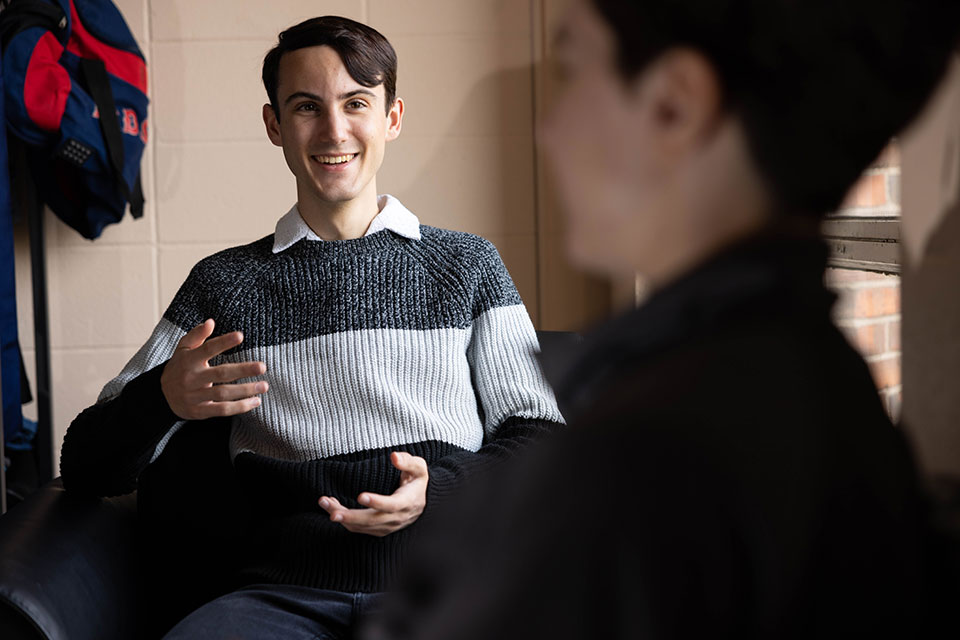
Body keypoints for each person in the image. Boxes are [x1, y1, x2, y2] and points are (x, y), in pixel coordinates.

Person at [372, 1, 960, 638]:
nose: (549, 129)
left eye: (571, 71)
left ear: (675, 105)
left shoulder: (647, 455)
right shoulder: (817, 382)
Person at [57, 15, 564, 639]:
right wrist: (162, 396)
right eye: (306, 107)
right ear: (274, 124)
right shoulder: (224, 284)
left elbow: (544, 439)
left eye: (357, 103)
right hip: (277, 600)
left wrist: (441, 489)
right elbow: (86, 465)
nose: (334, 130)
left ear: (392, 118)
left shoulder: (468, 265)